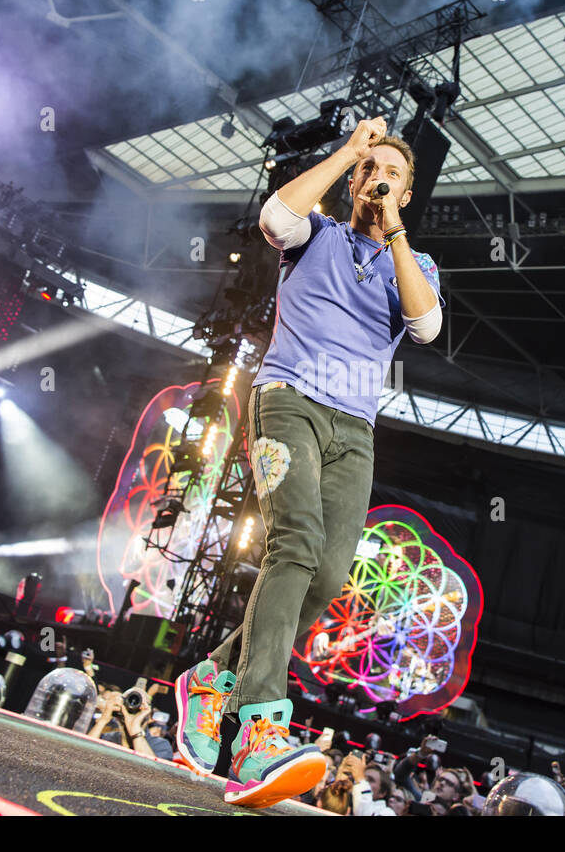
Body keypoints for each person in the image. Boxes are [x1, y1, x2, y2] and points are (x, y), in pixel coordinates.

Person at [174, 115, 444, 809]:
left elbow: (426, 325)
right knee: (292, 545)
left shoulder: (414, 264)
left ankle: (210, 679)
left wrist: (396, 232)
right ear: (353, 177)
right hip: (288, 400)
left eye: (391, 175)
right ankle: (261, 723)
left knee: (323, 579)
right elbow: (273, 217)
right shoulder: (316, 234)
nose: (376, 180)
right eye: (368, 170)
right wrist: (349, 150)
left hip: (354, 430)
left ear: (407, 193)